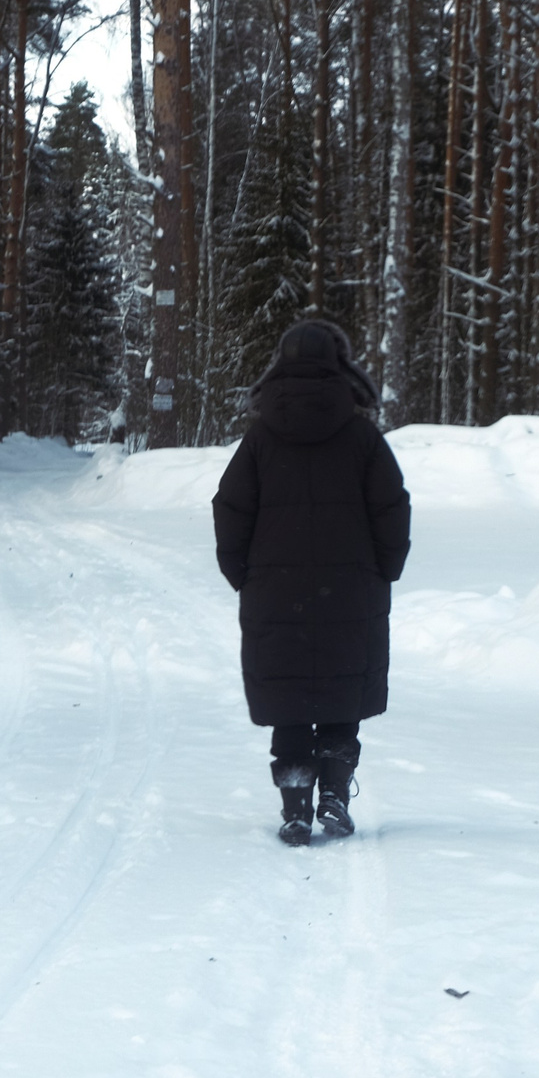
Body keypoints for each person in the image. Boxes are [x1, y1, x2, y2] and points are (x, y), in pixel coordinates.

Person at [211, 321, 411, 846]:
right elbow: (392, 507)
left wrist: (242, 574)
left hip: (275, 593)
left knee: (291, 699)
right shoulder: (363, 436)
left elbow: (230, 508)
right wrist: (385, 569)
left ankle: (296, 808)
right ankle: (334, 797)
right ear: (342, 364)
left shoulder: (259, 439)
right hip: (352, 590)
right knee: (342, 695)